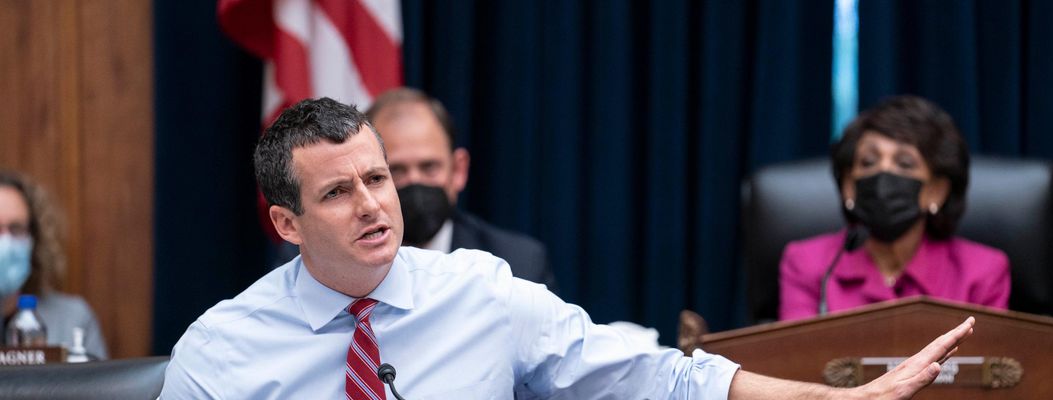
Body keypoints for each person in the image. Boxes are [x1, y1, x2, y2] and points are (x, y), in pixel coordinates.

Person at [161, 97, 974, 399]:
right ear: (286, 224)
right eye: (339, 192)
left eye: (377, 178)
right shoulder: (221, 352)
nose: (377, 204)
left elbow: (658, 378)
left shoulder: (480, 291)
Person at [275, 88, 556, 292]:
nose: (415, 182)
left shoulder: (516, 264)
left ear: (458, 170)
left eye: (429, 167)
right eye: (395, 171)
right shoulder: (312, 259)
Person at [778, 95, 1010, 321]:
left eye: (904, 163)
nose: (883, 173)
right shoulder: (809, 264)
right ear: (849, 186)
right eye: (869, 162)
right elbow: (795, 356)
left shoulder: (981, 272)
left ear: (937, 191)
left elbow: (989, 356)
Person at [0, 171, 108, 359]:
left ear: (34, 238)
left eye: (16, 228)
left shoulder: (74, 319)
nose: (5, 242)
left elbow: (103, 387)